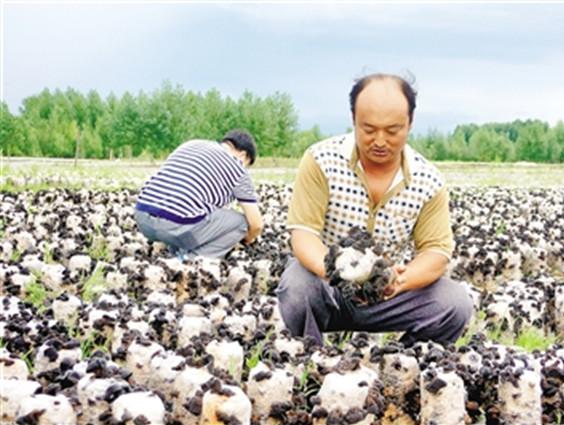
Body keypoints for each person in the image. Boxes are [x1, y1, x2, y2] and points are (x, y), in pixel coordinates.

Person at [277, 73, 473, 347]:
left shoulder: (428, 179)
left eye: (393, 130)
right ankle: (309, 364)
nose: (380, 141)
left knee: (454, 304)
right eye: (368, 129)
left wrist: (399, 281)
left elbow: (436, 252)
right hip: (329, 285)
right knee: (297, 285)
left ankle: (400, 367)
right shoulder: (321, 160)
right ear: (353, 119)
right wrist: (339, 270)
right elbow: (304, 235)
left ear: (410, 123)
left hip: (387, 295)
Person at [134, 129, 263, 259]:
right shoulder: (238, 168)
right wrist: (244, 240)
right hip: (175, 226)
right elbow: (256, 224)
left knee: (192, 210)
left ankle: (173, 253)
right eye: (247, 165)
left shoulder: (191, 145)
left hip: (143, 217)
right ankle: (188, 262)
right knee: (241, 223)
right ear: (243, 155)